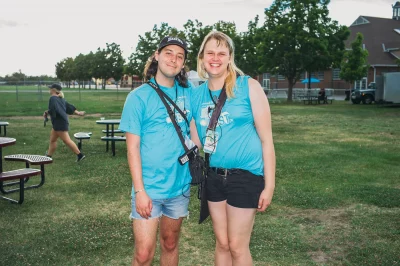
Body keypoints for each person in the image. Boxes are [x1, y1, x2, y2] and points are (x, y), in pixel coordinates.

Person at [190, 31, 276, 266]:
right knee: (223, 243)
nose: (215, 58)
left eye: (221, 53)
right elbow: (195, 140)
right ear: (202, 57)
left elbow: (267, 140)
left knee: (238, 246)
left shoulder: (248, 86)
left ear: (230, 58)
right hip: (214, 177)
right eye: (210, 53)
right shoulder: (196, 94)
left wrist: (269, 185)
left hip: (245, 176)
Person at [119, 36, 192, 266]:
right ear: (157, 55)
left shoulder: (189, 94)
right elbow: (132, 148)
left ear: (183, 64)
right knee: (143, 255)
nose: (174, 59)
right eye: (169, 53)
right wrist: (139, 190)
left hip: (179, 188)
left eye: (180, 56)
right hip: (148, 189)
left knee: (170, 244)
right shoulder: (138, 97)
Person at [44, 84, 85, 162]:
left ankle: (80, 155)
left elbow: (53, 109)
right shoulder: (61, 99)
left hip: (60, 123)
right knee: (53, 140)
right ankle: (48, 156)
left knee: (67, 140)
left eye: (50, 88)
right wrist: (78, 113)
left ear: (54, 90)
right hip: (59, 122)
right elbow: (69, 107)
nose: (49, 90)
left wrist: (48, 112)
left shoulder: (53, 98)